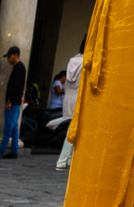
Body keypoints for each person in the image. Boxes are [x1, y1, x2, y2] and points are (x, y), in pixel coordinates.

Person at [55, 37, 85, 171]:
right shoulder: (87, 62)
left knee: (73, 130)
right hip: (79, 98)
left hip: (68, 98)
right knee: (73, 131)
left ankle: (68, 160)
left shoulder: (72, 60)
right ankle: (62, 161)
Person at [0, 45, 26, 160]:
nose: (8, 59)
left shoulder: (19, 68)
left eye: (9, 56)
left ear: (15, 55)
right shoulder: (19, 68)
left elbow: (17, 87)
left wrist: (9, 101)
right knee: (13, 128)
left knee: (8, 128)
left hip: (13, 103)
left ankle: (1, 151)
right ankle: (14, 151)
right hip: (15, 102)